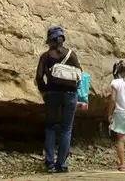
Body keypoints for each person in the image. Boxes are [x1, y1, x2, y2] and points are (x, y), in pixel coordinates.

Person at [35, 26, 81, 174]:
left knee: (51, 127)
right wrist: (74, 90)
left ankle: (50, 163)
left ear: (50, 41)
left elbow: (39, 77)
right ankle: (62, 164)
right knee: (66, 129)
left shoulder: (46, 56)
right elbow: (79, 75)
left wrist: (44, 91)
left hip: (53, 94)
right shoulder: (72, 55)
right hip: (70, 94)